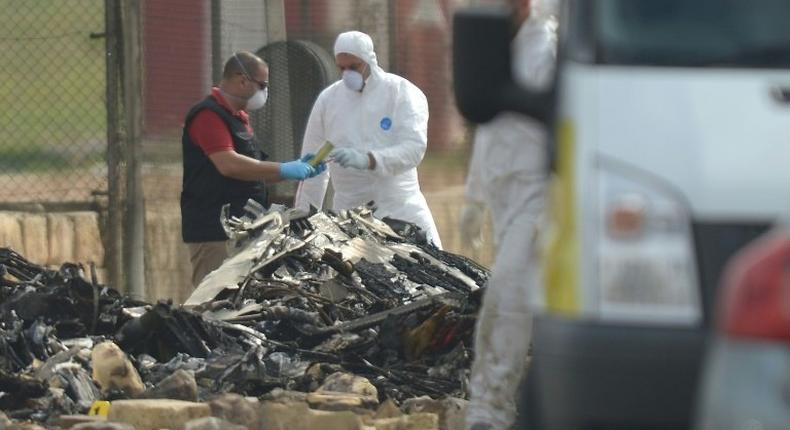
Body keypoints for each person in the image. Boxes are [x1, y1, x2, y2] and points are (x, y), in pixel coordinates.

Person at [460, 1, 558, 429]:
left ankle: (489, 408)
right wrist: (474, 197)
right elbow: (488, 133)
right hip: (505, 199)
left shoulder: (547, 52)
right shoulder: (499, 53)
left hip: (541, 196)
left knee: (507, 298)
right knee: (530, 304)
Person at [181, 51, 326, 288]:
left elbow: (250, 174)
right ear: (242, 80)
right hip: (215, 231)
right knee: (214, 300)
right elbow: (228, 165)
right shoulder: (208, 115)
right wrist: (284, 169)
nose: (265, 92)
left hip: (241, 228)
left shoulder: (238, 119)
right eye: (263, 85)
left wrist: (298, 167)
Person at [293, 31, 442, 249]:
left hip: (400, 208)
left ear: (369, 60)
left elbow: (413, 149)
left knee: (430, 272)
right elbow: (314, 163)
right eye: (341, 68)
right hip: (349, 215)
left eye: (353, 67)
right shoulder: (329, 101)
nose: (347, 74)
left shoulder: (401, 93)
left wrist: (370, 160)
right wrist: (304, 217)